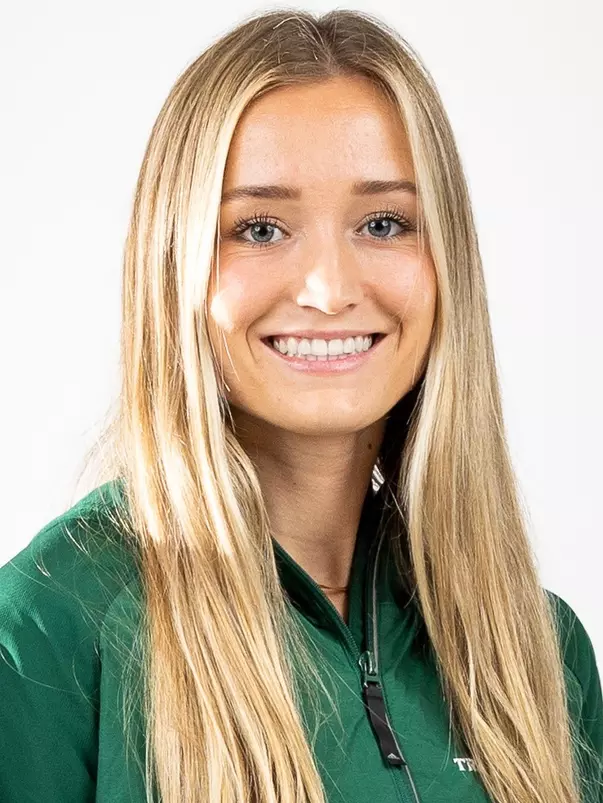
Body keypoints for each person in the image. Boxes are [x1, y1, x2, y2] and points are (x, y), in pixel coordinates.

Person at [0, 8, 601, 803]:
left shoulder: (538, 649)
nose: (329, 289)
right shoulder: (48, 634)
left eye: (382, 222)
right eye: (259, 228)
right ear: (173, 267)